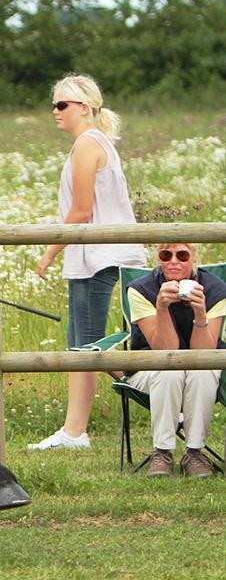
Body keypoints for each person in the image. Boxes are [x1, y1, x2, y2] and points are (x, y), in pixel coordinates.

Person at [30, 74, 146, 450]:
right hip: (90, 256)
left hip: (98, 256)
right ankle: (74, 431)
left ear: (83, 107)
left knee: (91, 346)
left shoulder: (87, 144)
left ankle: (161, 392)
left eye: (61, 104)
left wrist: (48, 251)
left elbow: (80, 211)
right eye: (53, 105)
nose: (55, 112)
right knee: (82, 344)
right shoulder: (94, 143)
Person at [125, 243, 225, 478]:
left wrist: (200, 313)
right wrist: (161, 308)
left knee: (203, 371)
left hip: (200, 366)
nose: (173, 261)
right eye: (165, 255)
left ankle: (194, 452)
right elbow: (164, 351)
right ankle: (162, 452)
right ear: (158, 258)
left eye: (182, 255)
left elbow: (204, 353)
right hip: (150, 367)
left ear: (193, 258)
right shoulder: (141, 289)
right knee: (170, 372)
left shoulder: (215, 289)